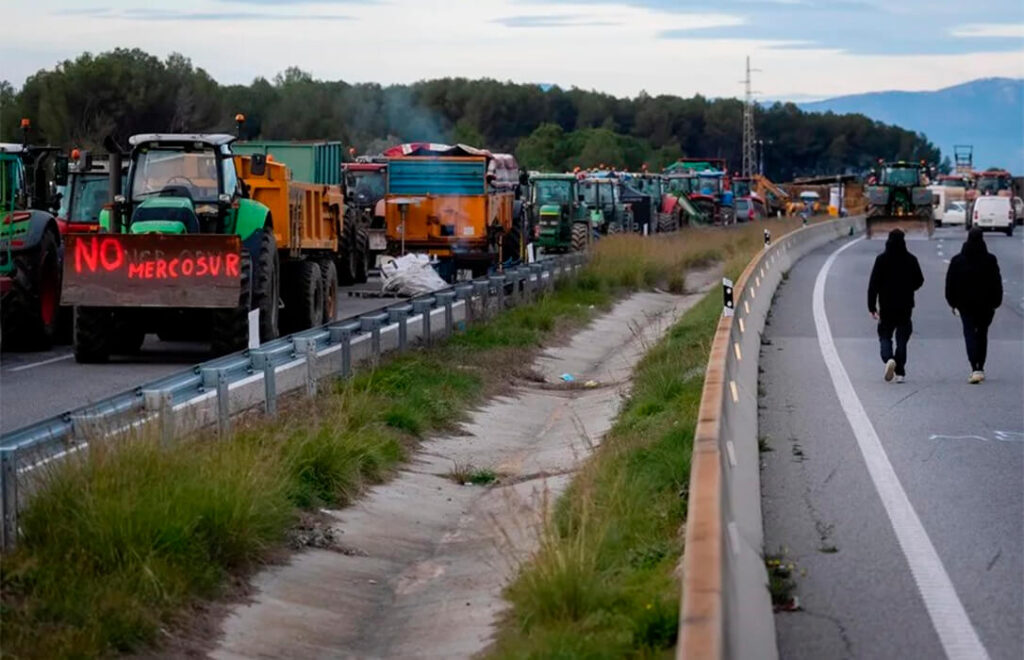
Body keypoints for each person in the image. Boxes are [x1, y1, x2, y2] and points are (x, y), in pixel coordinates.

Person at [945, 227, 1003, 384]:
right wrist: (996, 302)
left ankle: (974, 366)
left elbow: (950, 283)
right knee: (982, 334)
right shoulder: (990, 260)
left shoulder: (958, 260)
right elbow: (996, 282)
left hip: (964, 304)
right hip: (986, 304)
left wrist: (952, 302)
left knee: (969, 333)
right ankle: (980, 366)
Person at [867, 229, 924, 383]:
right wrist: (909, 288)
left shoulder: (881, 260)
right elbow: (919, 280)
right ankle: (900, 372)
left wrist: (872, 306)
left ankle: (889, 359)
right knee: (902, 338)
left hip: (886, 305)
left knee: (885, 335)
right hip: (905, 305)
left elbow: (873, 284)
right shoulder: (911, 259)